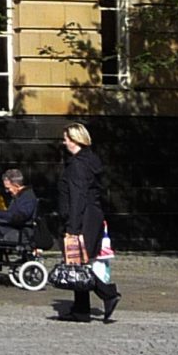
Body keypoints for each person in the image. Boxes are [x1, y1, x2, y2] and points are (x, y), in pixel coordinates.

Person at [51, 123, 119, 322]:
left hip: (83, 218)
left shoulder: (78, 165)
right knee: (77, 262)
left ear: (75, 140)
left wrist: (73, 228)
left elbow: (78, 197)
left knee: (77, 261)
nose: (64, 142)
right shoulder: (89, 160)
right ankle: (81, 310)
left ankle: (108, 294)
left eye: (66, 139)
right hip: (90, 215)